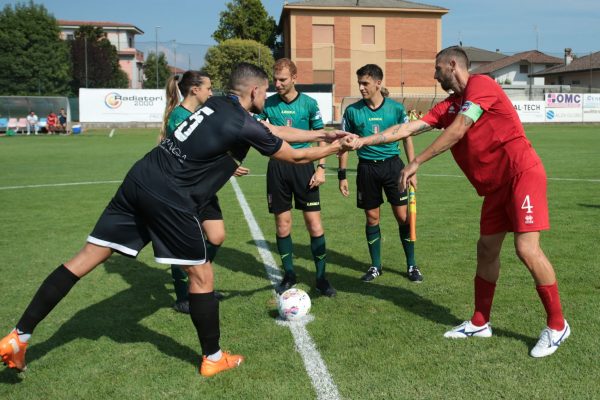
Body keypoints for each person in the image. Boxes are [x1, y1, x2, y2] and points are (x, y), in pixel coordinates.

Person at [0, 62, 355, 378]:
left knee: (84, 258)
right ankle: (213, 357)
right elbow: (294, 157)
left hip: (140, 178)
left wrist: (324, 133)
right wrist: (338, 148)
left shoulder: (218, 105)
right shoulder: (239, 119)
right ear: (255, 90)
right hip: (171, 195)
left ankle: (19, 336)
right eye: (266, 89)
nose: (269, 95)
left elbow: (273, 132)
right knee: (202, 275)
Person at [353, 46, 569, 358]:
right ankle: (480, 322)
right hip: (495, 188)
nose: (434, 75)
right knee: (486, 249)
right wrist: (363, 141)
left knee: (526, 249)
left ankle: (558, 324)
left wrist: (417, 162)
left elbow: (459, 130)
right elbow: (407, 127)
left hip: (521, 174)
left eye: (437, 69)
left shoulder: (482, 86)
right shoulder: (450, 105)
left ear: (452, 64)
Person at [160, 70, 245, 314]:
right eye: (208, 87)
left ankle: (198, 281)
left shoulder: (200, 115)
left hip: (204, 188)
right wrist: (226, 167)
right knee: (184, 245)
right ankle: (182, 296)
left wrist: (227, 165)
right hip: (184, 190)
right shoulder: (178, 116)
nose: (211, 91)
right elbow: (192, 155)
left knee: (216, 236)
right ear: (194, 90)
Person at [256, 58, 336, 297]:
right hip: (278, 167)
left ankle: (321, 278)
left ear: (294, 79)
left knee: (314, 224)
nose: (277, 84)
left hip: (304, 167)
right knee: (283, 225)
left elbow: (321, 136)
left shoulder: (309, 104)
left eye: (282, 79)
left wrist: (321, 168)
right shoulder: (267, 104)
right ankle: (289, 274)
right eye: (275, 79)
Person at [338, 64, 422, 283]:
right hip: (366, 168)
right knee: (372, 217)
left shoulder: (395, 109)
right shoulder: (352, 111)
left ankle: (412, 265)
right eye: (359, 83)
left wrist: (412, 168)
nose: (361, 87)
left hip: (393, 167)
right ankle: (376, 266)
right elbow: (345, 144)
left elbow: (407, 137)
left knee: (403, 217)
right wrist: (342, 175)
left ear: (378, 83)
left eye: (365, 83)